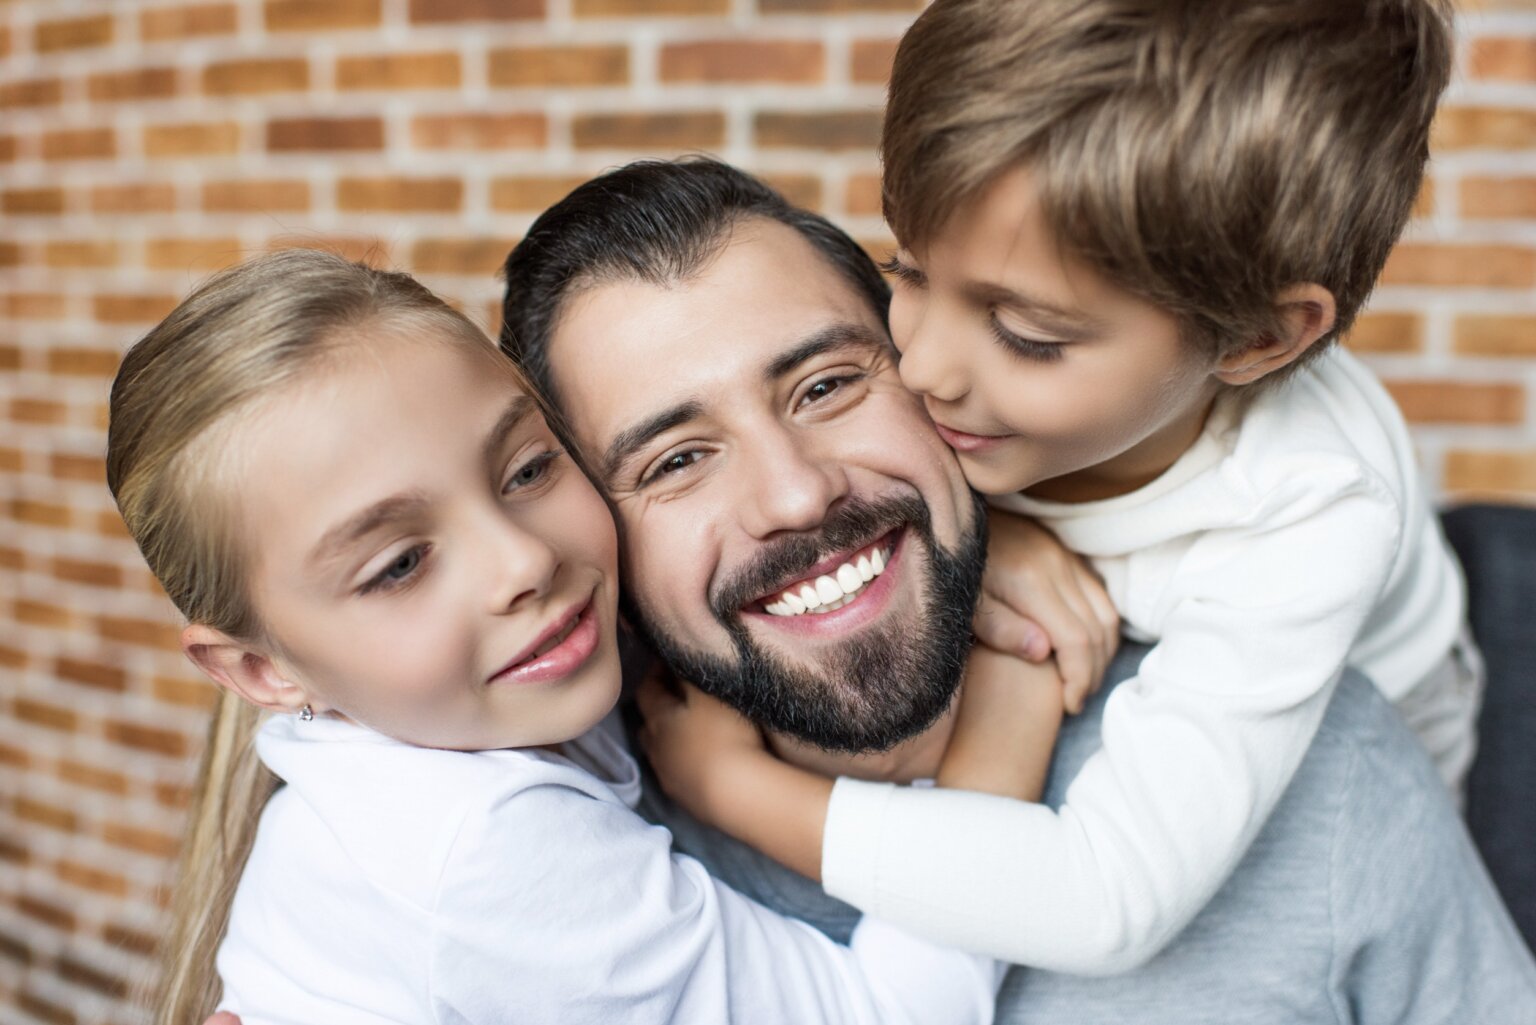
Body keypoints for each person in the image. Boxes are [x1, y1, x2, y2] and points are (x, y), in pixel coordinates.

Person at [497, 157, 1536, 1020]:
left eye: (827, 386)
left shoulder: (1304, 759)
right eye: (675, 459)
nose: (798, 493)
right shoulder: (559, 878)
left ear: (930, 386)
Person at [639, 0, 1496, 979]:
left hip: (1378, 699)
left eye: (1028, 336)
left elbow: (1105, 900)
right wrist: (1001, 532)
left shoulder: (1311, 515)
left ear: (1259, 339)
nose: (922, 366)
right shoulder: (996, 355)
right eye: (906, 269)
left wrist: (730, 784)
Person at [117, 248, 1047, 1025]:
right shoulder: (482, 847)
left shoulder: (497, 684)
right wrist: (1002, 721)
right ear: (258, 668)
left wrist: (991, 534)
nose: (522, 559)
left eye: (526, 468)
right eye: (399, 564)